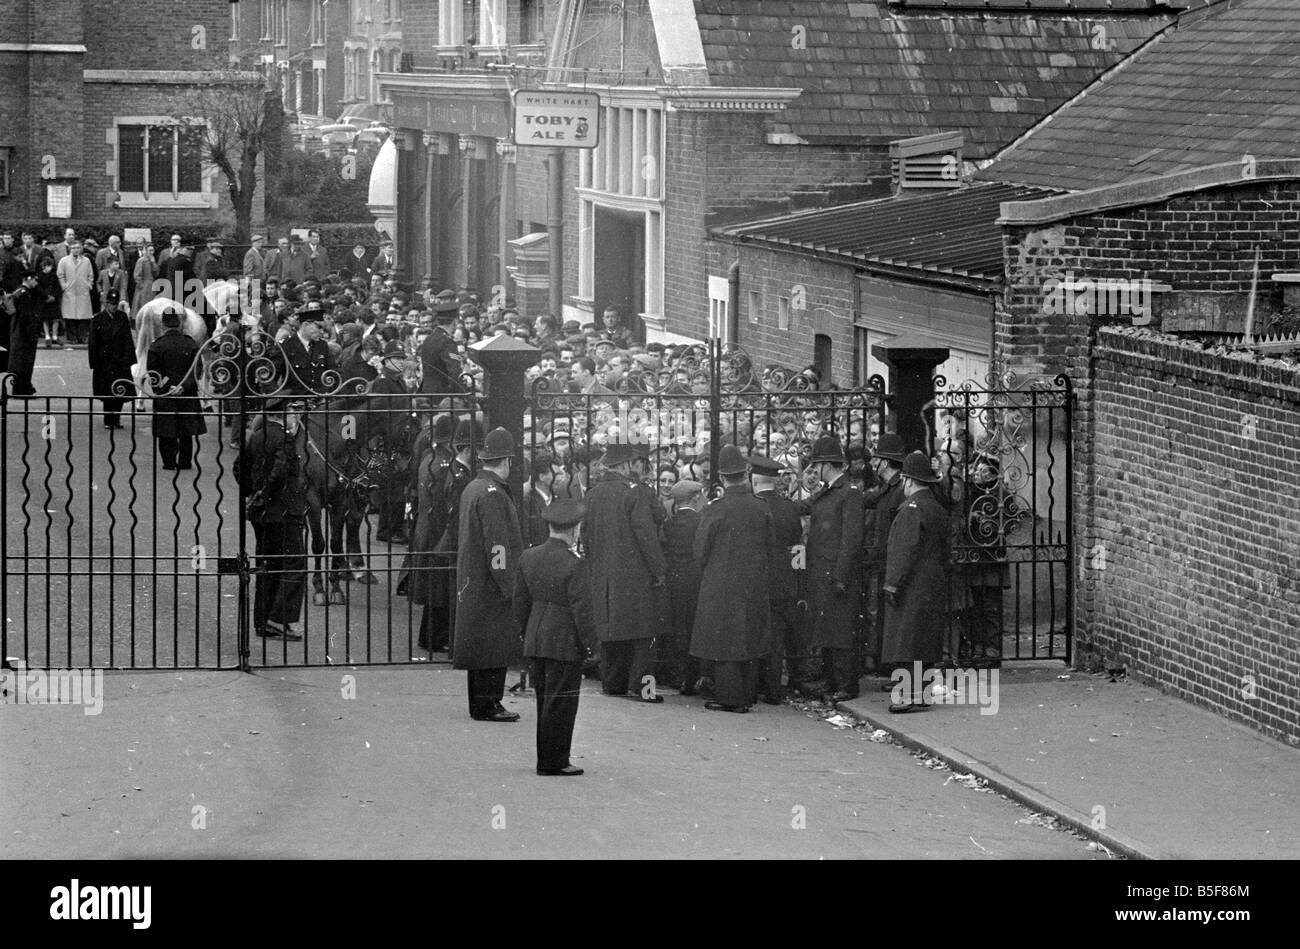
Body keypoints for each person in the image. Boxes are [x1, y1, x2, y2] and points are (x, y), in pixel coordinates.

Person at [514, 499, 597, 776]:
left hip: (536, 637)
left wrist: (527, 633)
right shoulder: (576, 564)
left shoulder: (529, 556)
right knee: (562, 703)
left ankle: (546, 758)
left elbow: (520, 602)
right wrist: (591, 646)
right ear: (575, 529)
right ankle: (555, 761)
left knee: (544, 699)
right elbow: (582, 610)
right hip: (563, 640)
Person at [690, 446, 773, 713]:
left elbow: (700, 550)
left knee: (724, 641)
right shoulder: (761, 508)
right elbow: (771, 548)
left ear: (723, 478)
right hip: (754, 583)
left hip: (721, 583)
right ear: (746, 474)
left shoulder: (716, 509)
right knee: (748, 638)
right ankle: (746, 695)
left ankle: (730, 698)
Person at [583, 442, 666, 702]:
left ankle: (613, 683)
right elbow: (645, 534)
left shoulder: (593, 494)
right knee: (644, 633)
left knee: (610, 630)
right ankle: (644, 688)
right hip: (634, 573)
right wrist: (659, 569)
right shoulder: (634, 493)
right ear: (625, 465)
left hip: (603, 573)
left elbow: (585, 535)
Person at [451, 427, 524, 722]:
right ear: (507, 460)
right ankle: (489, 704)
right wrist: (509, 583)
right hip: (491, 581)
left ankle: (483, 702)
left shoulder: (475, 487)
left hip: (475, 577)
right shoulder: (493, 493)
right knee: (494, 645)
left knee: (481, 644)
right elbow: (498, 545)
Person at [883, 451, 951, 712]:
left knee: (906, 642)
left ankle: (907, 695)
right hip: (933, 582)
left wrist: (892, 583)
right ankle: (921, 693)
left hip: (911, 584)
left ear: (907, 480)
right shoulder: (937, 509)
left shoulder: (912, 508)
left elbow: (904, 550)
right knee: (925, 641)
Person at [803, 433, 866, 702]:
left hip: (837, 574)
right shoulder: (830, 492)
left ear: (827, 465)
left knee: (841, 630)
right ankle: (831, 682)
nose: (814, 470)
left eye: (816, 465)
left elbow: (851, 539)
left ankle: (846, 684)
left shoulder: (849, 493)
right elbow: (805, 507)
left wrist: (840, 575)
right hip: (822, 572)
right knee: (827, 629)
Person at [245, 398, 311, 641]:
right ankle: (280, 619)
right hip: (283, 511)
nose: (295, 415)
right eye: (292, 411)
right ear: (282, 415)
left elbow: (238, 467)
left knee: (267, 564)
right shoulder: (284, 438)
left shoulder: (257, 436)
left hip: (260, 513)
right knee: (294, 564)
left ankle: (263, 621)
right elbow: (281, 471)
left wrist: (252, 493)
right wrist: (266, 492)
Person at [750, 453, 807, 703]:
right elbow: (798, 547)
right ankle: (773, 689)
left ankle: (753, 686)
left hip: (756, 581)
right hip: (784, 582)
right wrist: (797, 578)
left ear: (754, 479)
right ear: (775, 481)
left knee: (753, 635)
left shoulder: (753, 506)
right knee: (776, 638)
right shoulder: (790, 508)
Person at [863, 432, 908, 682]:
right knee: (882, 616)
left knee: (894, 619)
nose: (872, 463)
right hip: (883, 562)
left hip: (892, 563)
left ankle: (895, 671)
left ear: (884, 461)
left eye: (875, 458)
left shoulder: (900, 489)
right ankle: (888, 668)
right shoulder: (888, 488)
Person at [146, 306, 206, 470]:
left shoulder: (157, 346)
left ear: (163, 325)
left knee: (166, 431)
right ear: (179, 324)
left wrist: (168, 385)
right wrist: (183, 386)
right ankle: (185, 462)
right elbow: (197, 370)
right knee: (185, 431)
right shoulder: (190, 343)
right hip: (187, 394)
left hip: (166, 395)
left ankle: (169, 462)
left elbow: (153, 373)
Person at [660, 479, 704, 694]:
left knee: (678, 628)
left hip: (674, 581)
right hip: (695, 581)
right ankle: (692, 677)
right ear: (695, 498)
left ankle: (677, 674)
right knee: (694, 627)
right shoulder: (701, 521)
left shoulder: (669, 524)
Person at [370, 341, 413, 544]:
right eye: (397, 358)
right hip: (389, 440)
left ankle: (393, 527)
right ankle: (388, 530)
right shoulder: (383, 381)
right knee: (392, 489)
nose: (401, 362)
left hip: (399, 437)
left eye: (403, 358)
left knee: (396, 488)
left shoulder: (397, 380)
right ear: (386, 360)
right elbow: (379, 414)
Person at [87, 290, 135, 428]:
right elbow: (93, 343)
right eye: (111, 304)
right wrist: (95, 363)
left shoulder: (122, 317)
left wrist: (128, 358)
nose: (113, 307)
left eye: (115, 304)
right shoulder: (98, 319)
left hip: (120, 361)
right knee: (107, 393)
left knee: (120, 391)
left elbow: (128, 340)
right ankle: (108, 420)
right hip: (105, 362)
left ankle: (117, 419)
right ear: (106, 304)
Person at [278, 301, 336, 395]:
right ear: (306, 325)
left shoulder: (322, 345)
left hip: (319, 401)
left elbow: (334, 372)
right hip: (295, 401)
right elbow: (270, 377)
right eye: (319, 327)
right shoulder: (285, 346)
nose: (322, 332)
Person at [418, 301, 465, 393]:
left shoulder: (428, 339)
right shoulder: (447, 342)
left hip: (427, 392)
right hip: (443, 396)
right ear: (455, 321)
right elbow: (455, 372)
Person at [56, 239, 93, 346]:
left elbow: (91, 275)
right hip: (70, 291)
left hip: (83, 291)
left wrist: (89, 285)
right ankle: (72, 338)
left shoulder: (86, 260)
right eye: (73, 248)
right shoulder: (64, 261)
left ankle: (82, 337)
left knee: (83, 316)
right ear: (70, 249)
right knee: (70, 316)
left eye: (78, 248)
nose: (76, 250)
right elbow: (60, 275)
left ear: (81, 248)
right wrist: (64, 286)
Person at [131, 242, 158, 317]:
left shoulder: (153, 260)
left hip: (151, 286)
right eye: (150, 250)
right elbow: (137, 275)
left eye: (152, 250)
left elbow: (156, 274)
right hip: (143, 287)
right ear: (145, 251)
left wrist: (153, 263)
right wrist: (141, 285)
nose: (151, 252)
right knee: (142, 305)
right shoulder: (141, 260)